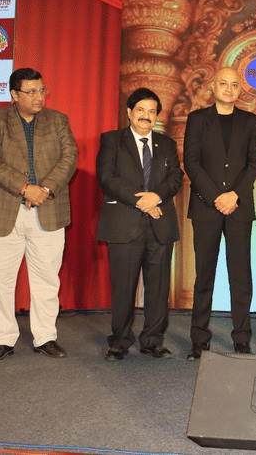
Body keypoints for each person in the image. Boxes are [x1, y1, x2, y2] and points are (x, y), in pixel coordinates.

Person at [0, 68, 78, 362]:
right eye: (31, 91)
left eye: (42, 90)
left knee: (47, 279)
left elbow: (69, 158)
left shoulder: (58, 120)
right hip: (3, 211)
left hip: (47, 208)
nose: (38, 97)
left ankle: (45, 336)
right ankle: (2, 339)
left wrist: (43, 189)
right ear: (14, 95)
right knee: (1, 281)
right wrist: (25, 189)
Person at [96, 88, 184, 360]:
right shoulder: (112, 140)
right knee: (123, 286)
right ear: (129, 113)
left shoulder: (166, 144)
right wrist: (142, 202)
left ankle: (152, 340)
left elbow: (176, 176)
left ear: (157, 115)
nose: (146, 116)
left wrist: (156, 196)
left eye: (152, 111)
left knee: (157, 287)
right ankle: (120, 341)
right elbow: (107, 178)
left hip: (160, 225)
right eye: (141, 110)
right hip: (124, 222)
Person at [184, 67, 256, 360]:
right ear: (213, 86)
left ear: (240, 90)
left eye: (234, 85)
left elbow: (253, 165)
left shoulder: (251, 122)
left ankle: (242, 338)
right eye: (223, 83)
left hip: (239, 209)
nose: (228, 89)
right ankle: (199, 339)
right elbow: (191, 162)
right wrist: (216, 196)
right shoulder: (197, 119)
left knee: (240, 275)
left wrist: (233, 196)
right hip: (206, 207)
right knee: (204, 276)